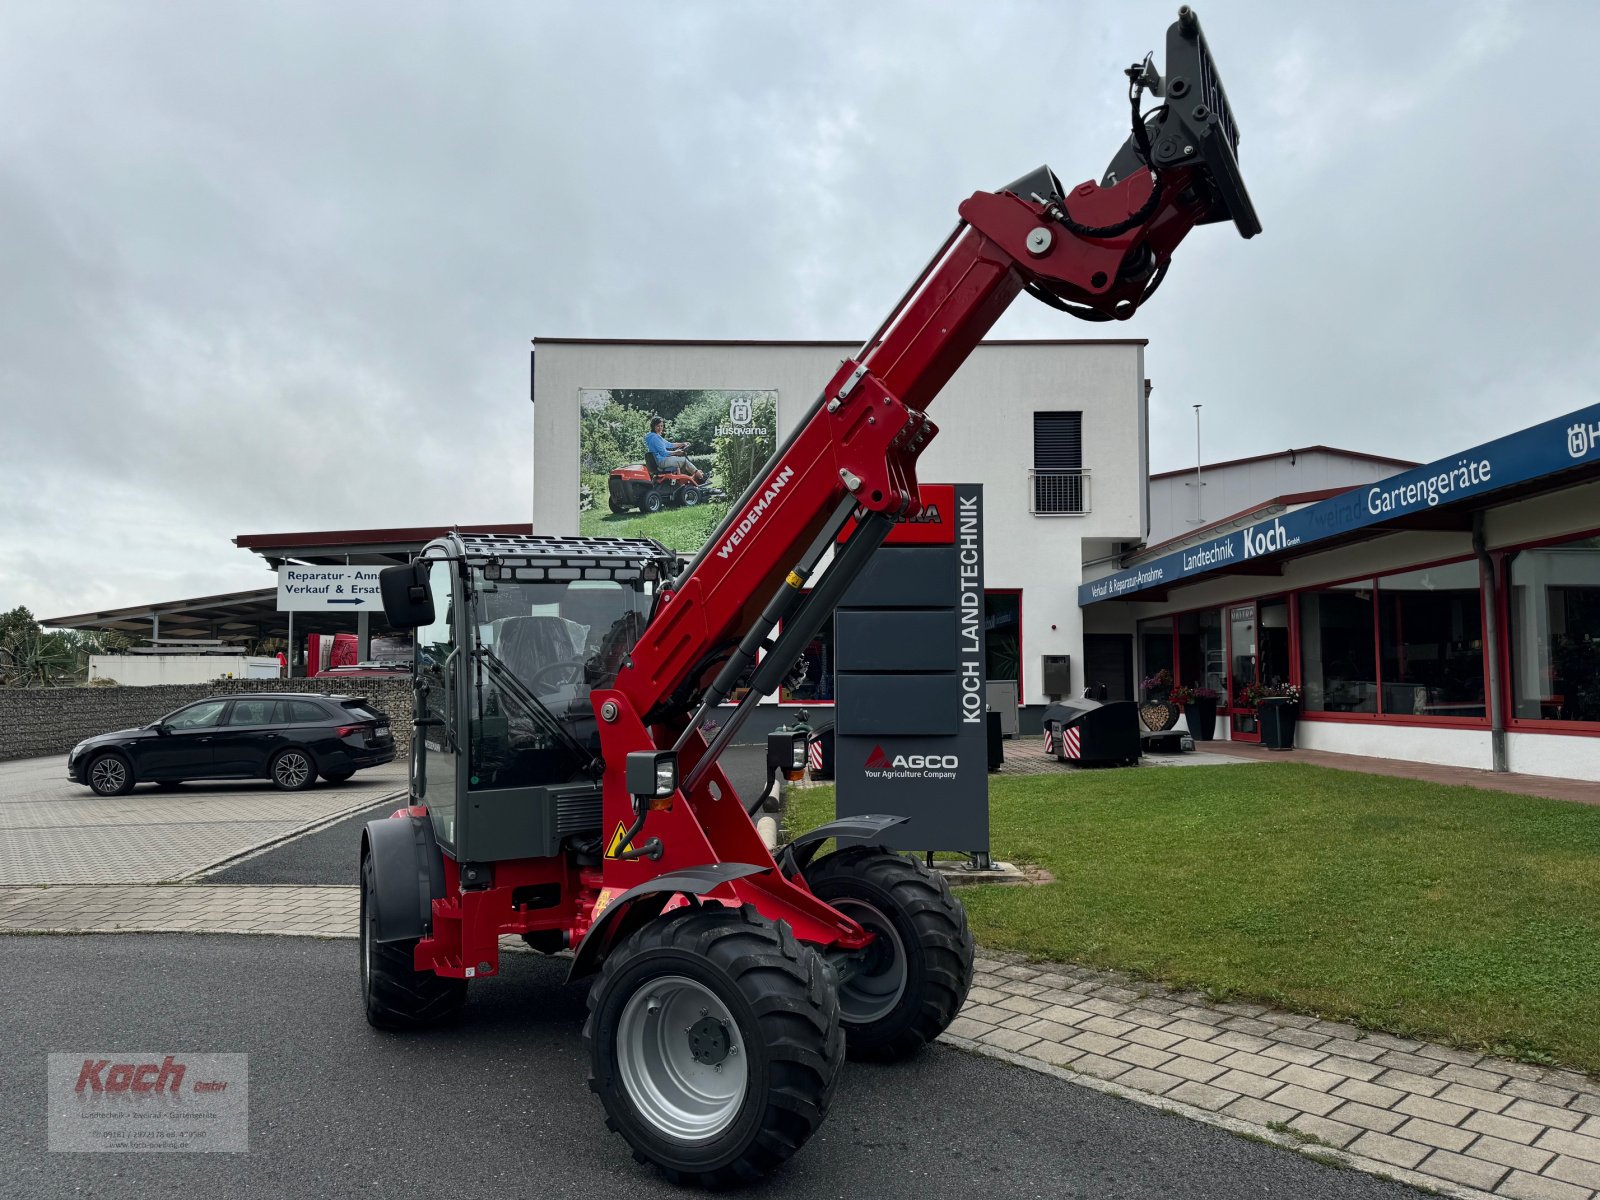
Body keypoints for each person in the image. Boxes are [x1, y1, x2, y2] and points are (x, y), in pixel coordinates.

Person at [644, 417, 705, 484]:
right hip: (662, 461)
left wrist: (682, 444)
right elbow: (664, 453)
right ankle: (701, 478)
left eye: (661, 426)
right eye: (658, 426)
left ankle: (683, 482)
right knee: (684, 460)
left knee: (678, 461)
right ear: (653, 426)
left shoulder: (654, 437)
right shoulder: (655, 438)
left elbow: (669, 445)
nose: (660, 428)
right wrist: (677, 452)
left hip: (659, 461)